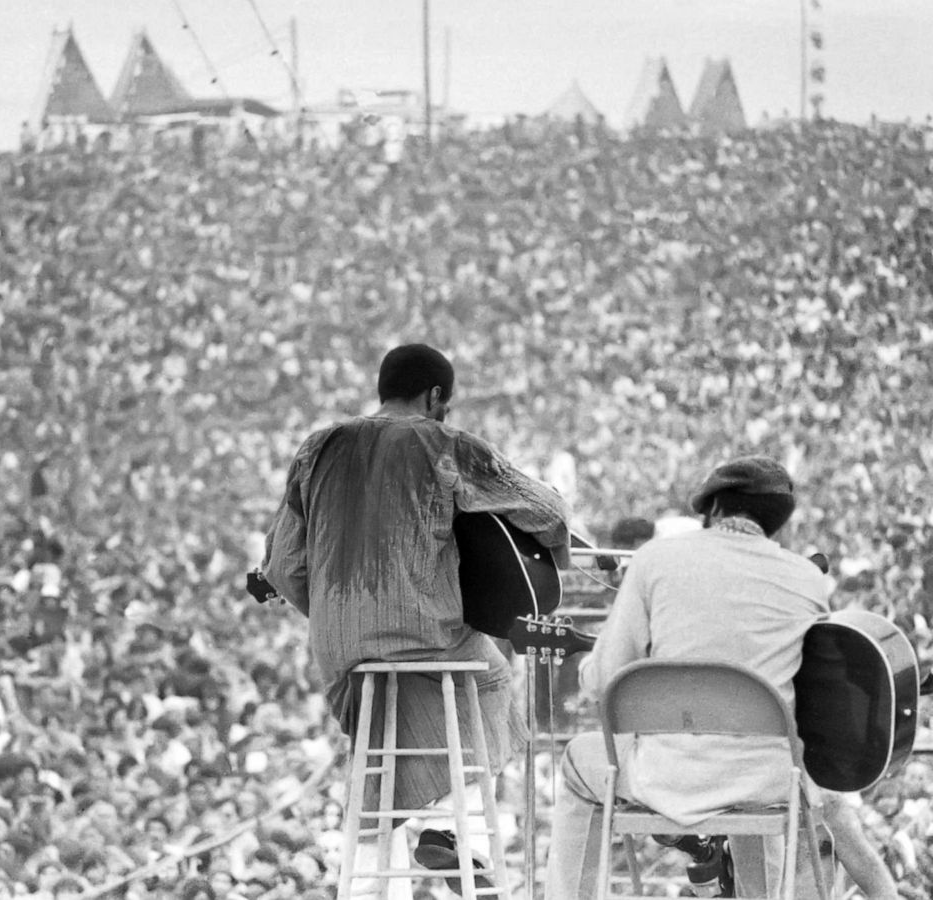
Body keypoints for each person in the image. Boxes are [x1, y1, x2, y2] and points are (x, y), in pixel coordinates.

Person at [261, 343, 570, 898]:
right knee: (494, 680)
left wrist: (340, 615)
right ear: (434, 397)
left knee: (382, 742)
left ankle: (391, 861)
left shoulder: (315, 448)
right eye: (444, 403)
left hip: (339, 652)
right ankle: (453, 830)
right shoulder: (443, 443)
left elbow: (283, 565)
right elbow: (545, 510)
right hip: (426, 637)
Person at [545, 455, 897, 900]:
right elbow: (806, 698)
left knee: (579, 761)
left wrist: (588, 667)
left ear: (713, 510)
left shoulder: (655, 560)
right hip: (768, 780)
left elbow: (603, 683)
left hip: (669, 777)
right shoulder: (807, 579)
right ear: (777, 523)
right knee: (768, 759)